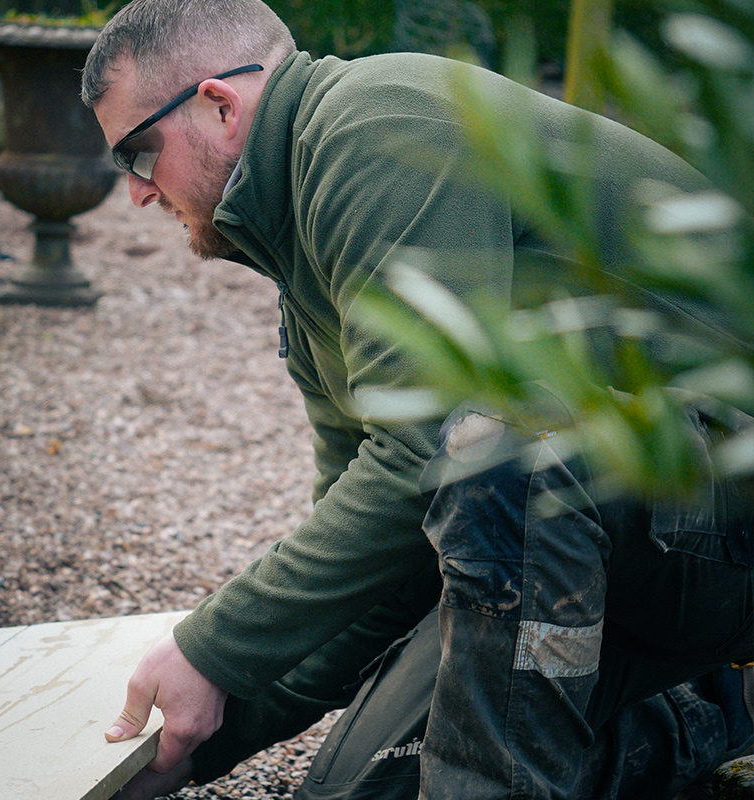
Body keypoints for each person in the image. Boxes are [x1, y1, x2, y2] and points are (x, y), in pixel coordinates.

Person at [80, 1, 754, 797]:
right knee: (354, 790)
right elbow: (383, 559)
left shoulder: (372, 123)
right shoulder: (304, 264)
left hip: (718, 503)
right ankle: (695, 709)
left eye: (136, 154)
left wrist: (208, 648)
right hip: (617, 537)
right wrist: (189, 746)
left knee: (496, 448)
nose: (137, 194)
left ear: (220, 106)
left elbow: (437, 445)